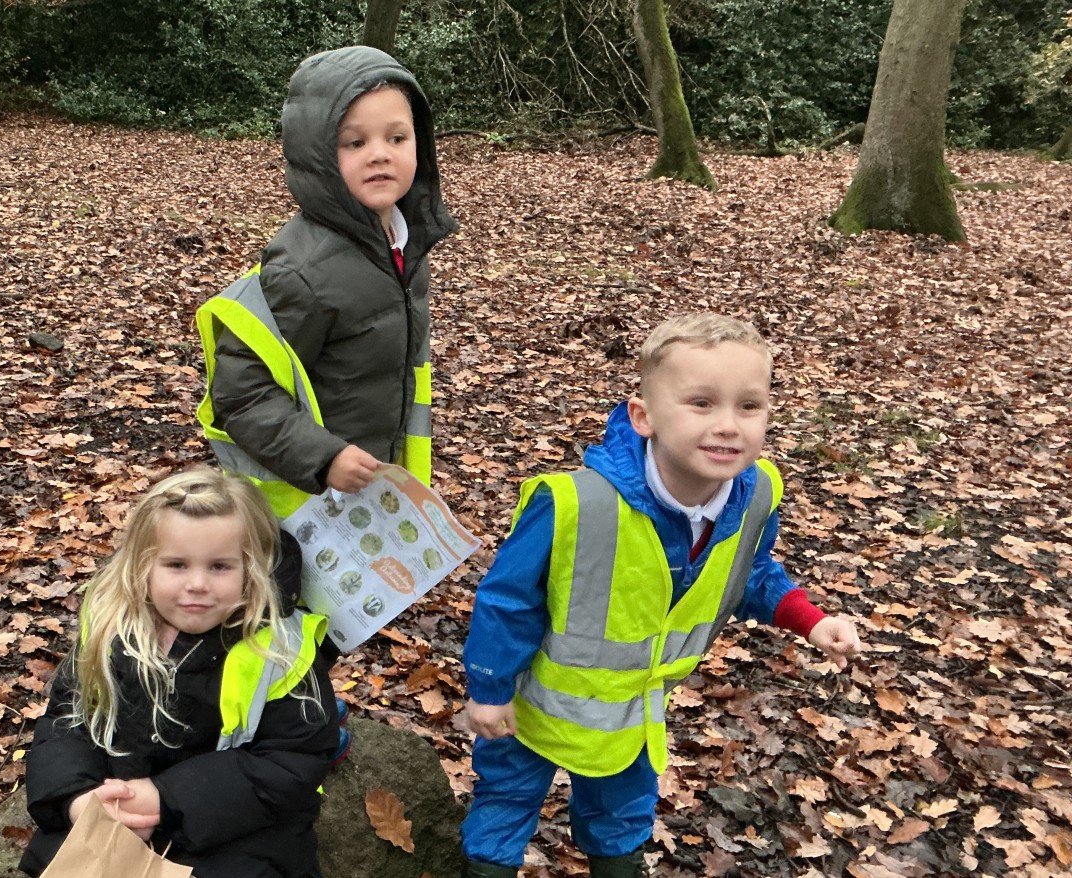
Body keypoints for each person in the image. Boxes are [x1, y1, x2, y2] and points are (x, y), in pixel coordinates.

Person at [459, 315, 864, 878]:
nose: (727, 425)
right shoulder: (576, 502)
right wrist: (488, 687)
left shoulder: (754, 496)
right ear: (643, 416)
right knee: (505, 807)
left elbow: (747, 573)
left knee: (621, 819)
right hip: (529, 711)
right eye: (701, 403)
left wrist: (810, 621)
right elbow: (508, 600)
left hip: (632, 718)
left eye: (749, 406)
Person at [19, 468, 339, 878]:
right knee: (58, 861)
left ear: (252, 568)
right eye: (176, 565)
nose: (198, 584)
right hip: (119, 800)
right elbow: (68, 718)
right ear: (143, 566)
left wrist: (167, 797)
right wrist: (76, 796)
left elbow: (293, 759)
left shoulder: (280, 650)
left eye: (221, 567)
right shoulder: (114, 626)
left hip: (233, 820)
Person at [195, 44, 459, 519]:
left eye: (397, 138)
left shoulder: (404, 244)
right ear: (317, 155)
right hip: (304, 508)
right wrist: (324, 458)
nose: (379, 154)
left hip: (368, 496)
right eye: (355, 143)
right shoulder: (304, 270)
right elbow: (241, 392)